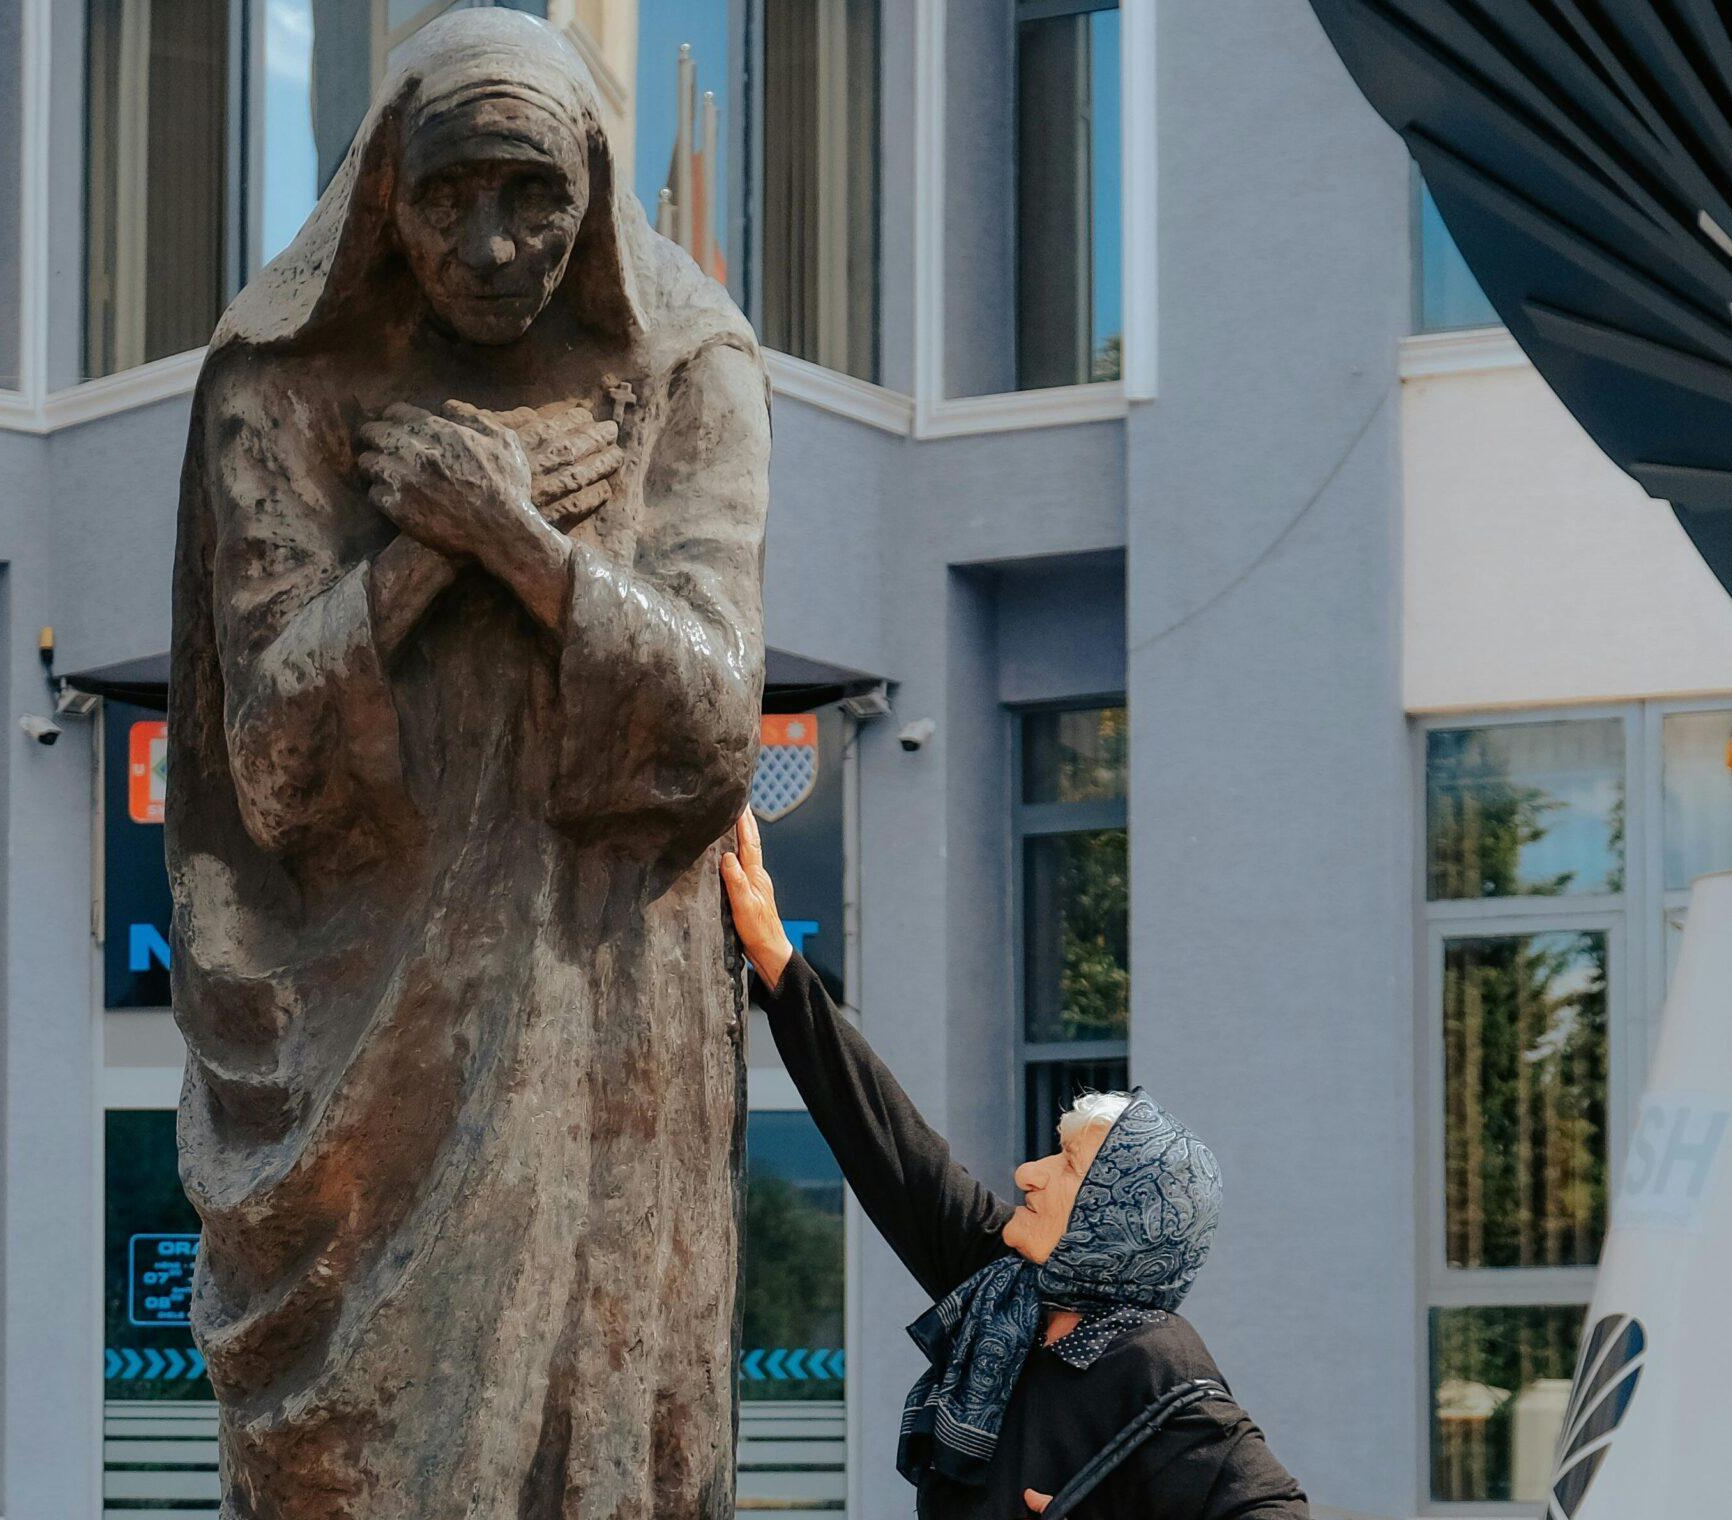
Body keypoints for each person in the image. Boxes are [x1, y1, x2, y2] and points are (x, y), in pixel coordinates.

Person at [165, 11, 771, 1515]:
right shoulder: (283, 385)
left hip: (601, 1008)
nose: (491, 246)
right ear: (386, 191)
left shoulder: (687, 368)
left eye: (532, 197)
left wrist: (521, 545)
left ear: (594, 189)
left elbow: (710, 726)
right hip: (367, 1026)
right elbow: (274, 768)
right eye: (448, 200)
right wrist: (416, 562)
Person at [720, 811, 1311, 1518]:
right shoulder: (1002, 1285)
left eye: (1066, 1164)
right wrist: (780, 964)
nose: (1029, 1173)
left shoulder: (1155, 1361)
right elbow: (887, 1143)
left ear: (1115, 1217)